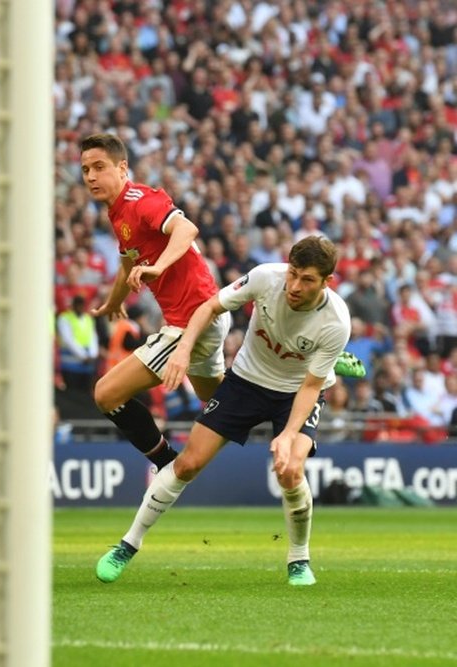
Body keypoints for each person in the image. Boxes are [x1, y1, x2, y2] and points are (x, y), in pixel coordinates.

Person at [96, 236, 351, 587]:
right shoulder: (265, 277)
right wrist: (184, 350)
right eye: (292, 274)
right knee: (187, 463)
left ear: (326, 282)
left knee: (291, 469)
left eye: (306, 280)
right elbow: (208, 307)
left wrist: (289, 435)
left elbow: (310, 387)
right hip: (245, 381)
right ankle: (127, 544)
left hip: (296, 390)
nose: (294, 286)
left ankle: (299, 559)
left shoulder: (336, 321)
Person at [80, 133, 231, 471]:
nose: (90, 176)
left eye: (99, 167)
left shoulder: (139, 200)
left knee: (106, 393)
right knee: (223, 401)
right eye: (86, 169)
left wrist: (159, 265)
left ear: (122, 168)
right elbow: (128, 263)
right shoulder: (118, 213)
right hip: (206, 313)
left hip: (191, 318)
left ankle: (166, 466)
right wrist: (112, 302)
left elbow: (187, 228)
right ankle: (292, 397)